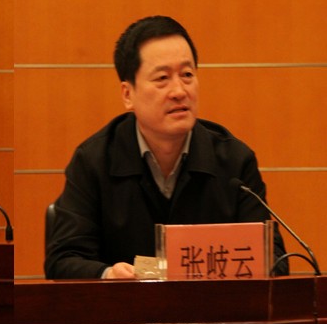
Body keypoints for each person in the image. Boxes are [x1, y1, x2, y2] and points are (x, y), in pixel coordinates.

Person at [44, 15, 288, 279]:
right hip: (126, 303)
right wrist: (108, 274)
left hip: (211, 304)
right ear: (128, 94)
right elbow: (63, 259)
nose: (179, 91)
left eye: (187, 75)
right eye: (162, 78)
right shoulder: (94, 161)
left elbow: (274, 261)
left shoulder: (234, 161)